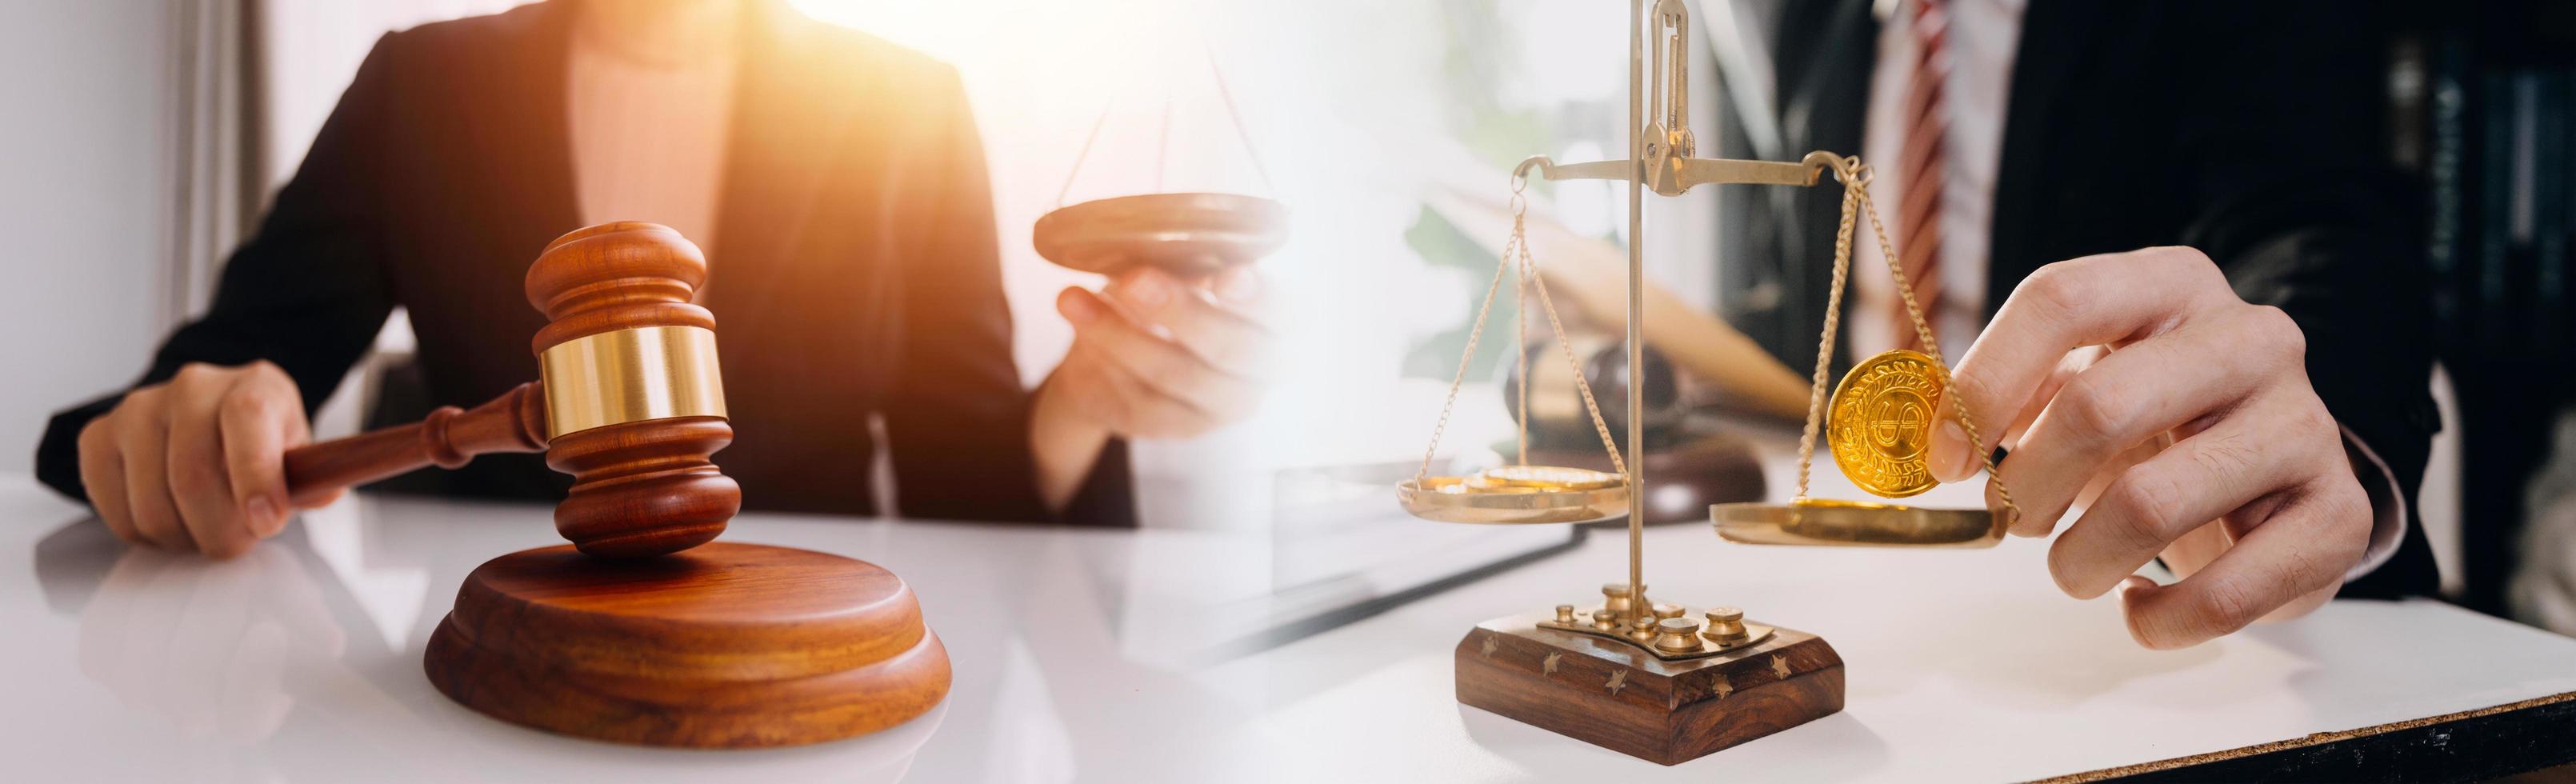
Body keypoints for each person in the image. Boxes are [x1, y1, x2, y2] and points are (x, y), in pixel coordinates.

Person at [34, 0, 1266, 558]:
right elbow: (161, 413)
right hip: (490, 669)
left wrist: (1095, 396)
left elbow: (971, 480)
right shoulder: (420, 87)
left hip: (806, 683)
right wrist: (185, 431)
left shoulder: (905, 105)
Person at [1526, 0, 2435, 650]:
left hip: (2070, 558)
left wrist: (2301, 441)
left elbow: (2324, 224)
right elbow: (1828, 289)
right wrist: (1647, 333)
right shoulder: (1804, 21)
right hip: (1863, 574)